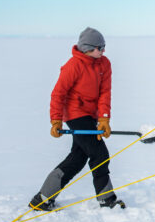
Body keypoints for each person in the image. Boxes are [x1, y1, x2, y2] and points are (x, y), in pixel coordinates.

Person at [29, 27, 125, 211]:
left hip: (91, 114)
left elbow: (105, 92)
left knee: (78, 158)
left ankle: (42, 198)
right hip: (74, 113)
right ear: (88, 48)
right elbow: (58, 94)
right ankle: (107, 199)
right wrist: (56, 120)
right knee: (100, 154)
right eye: (100, 47)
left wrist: (104, 119)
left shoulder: (104, 64)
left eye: (104, 47)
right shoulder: (73, 66)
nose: (103, 51)